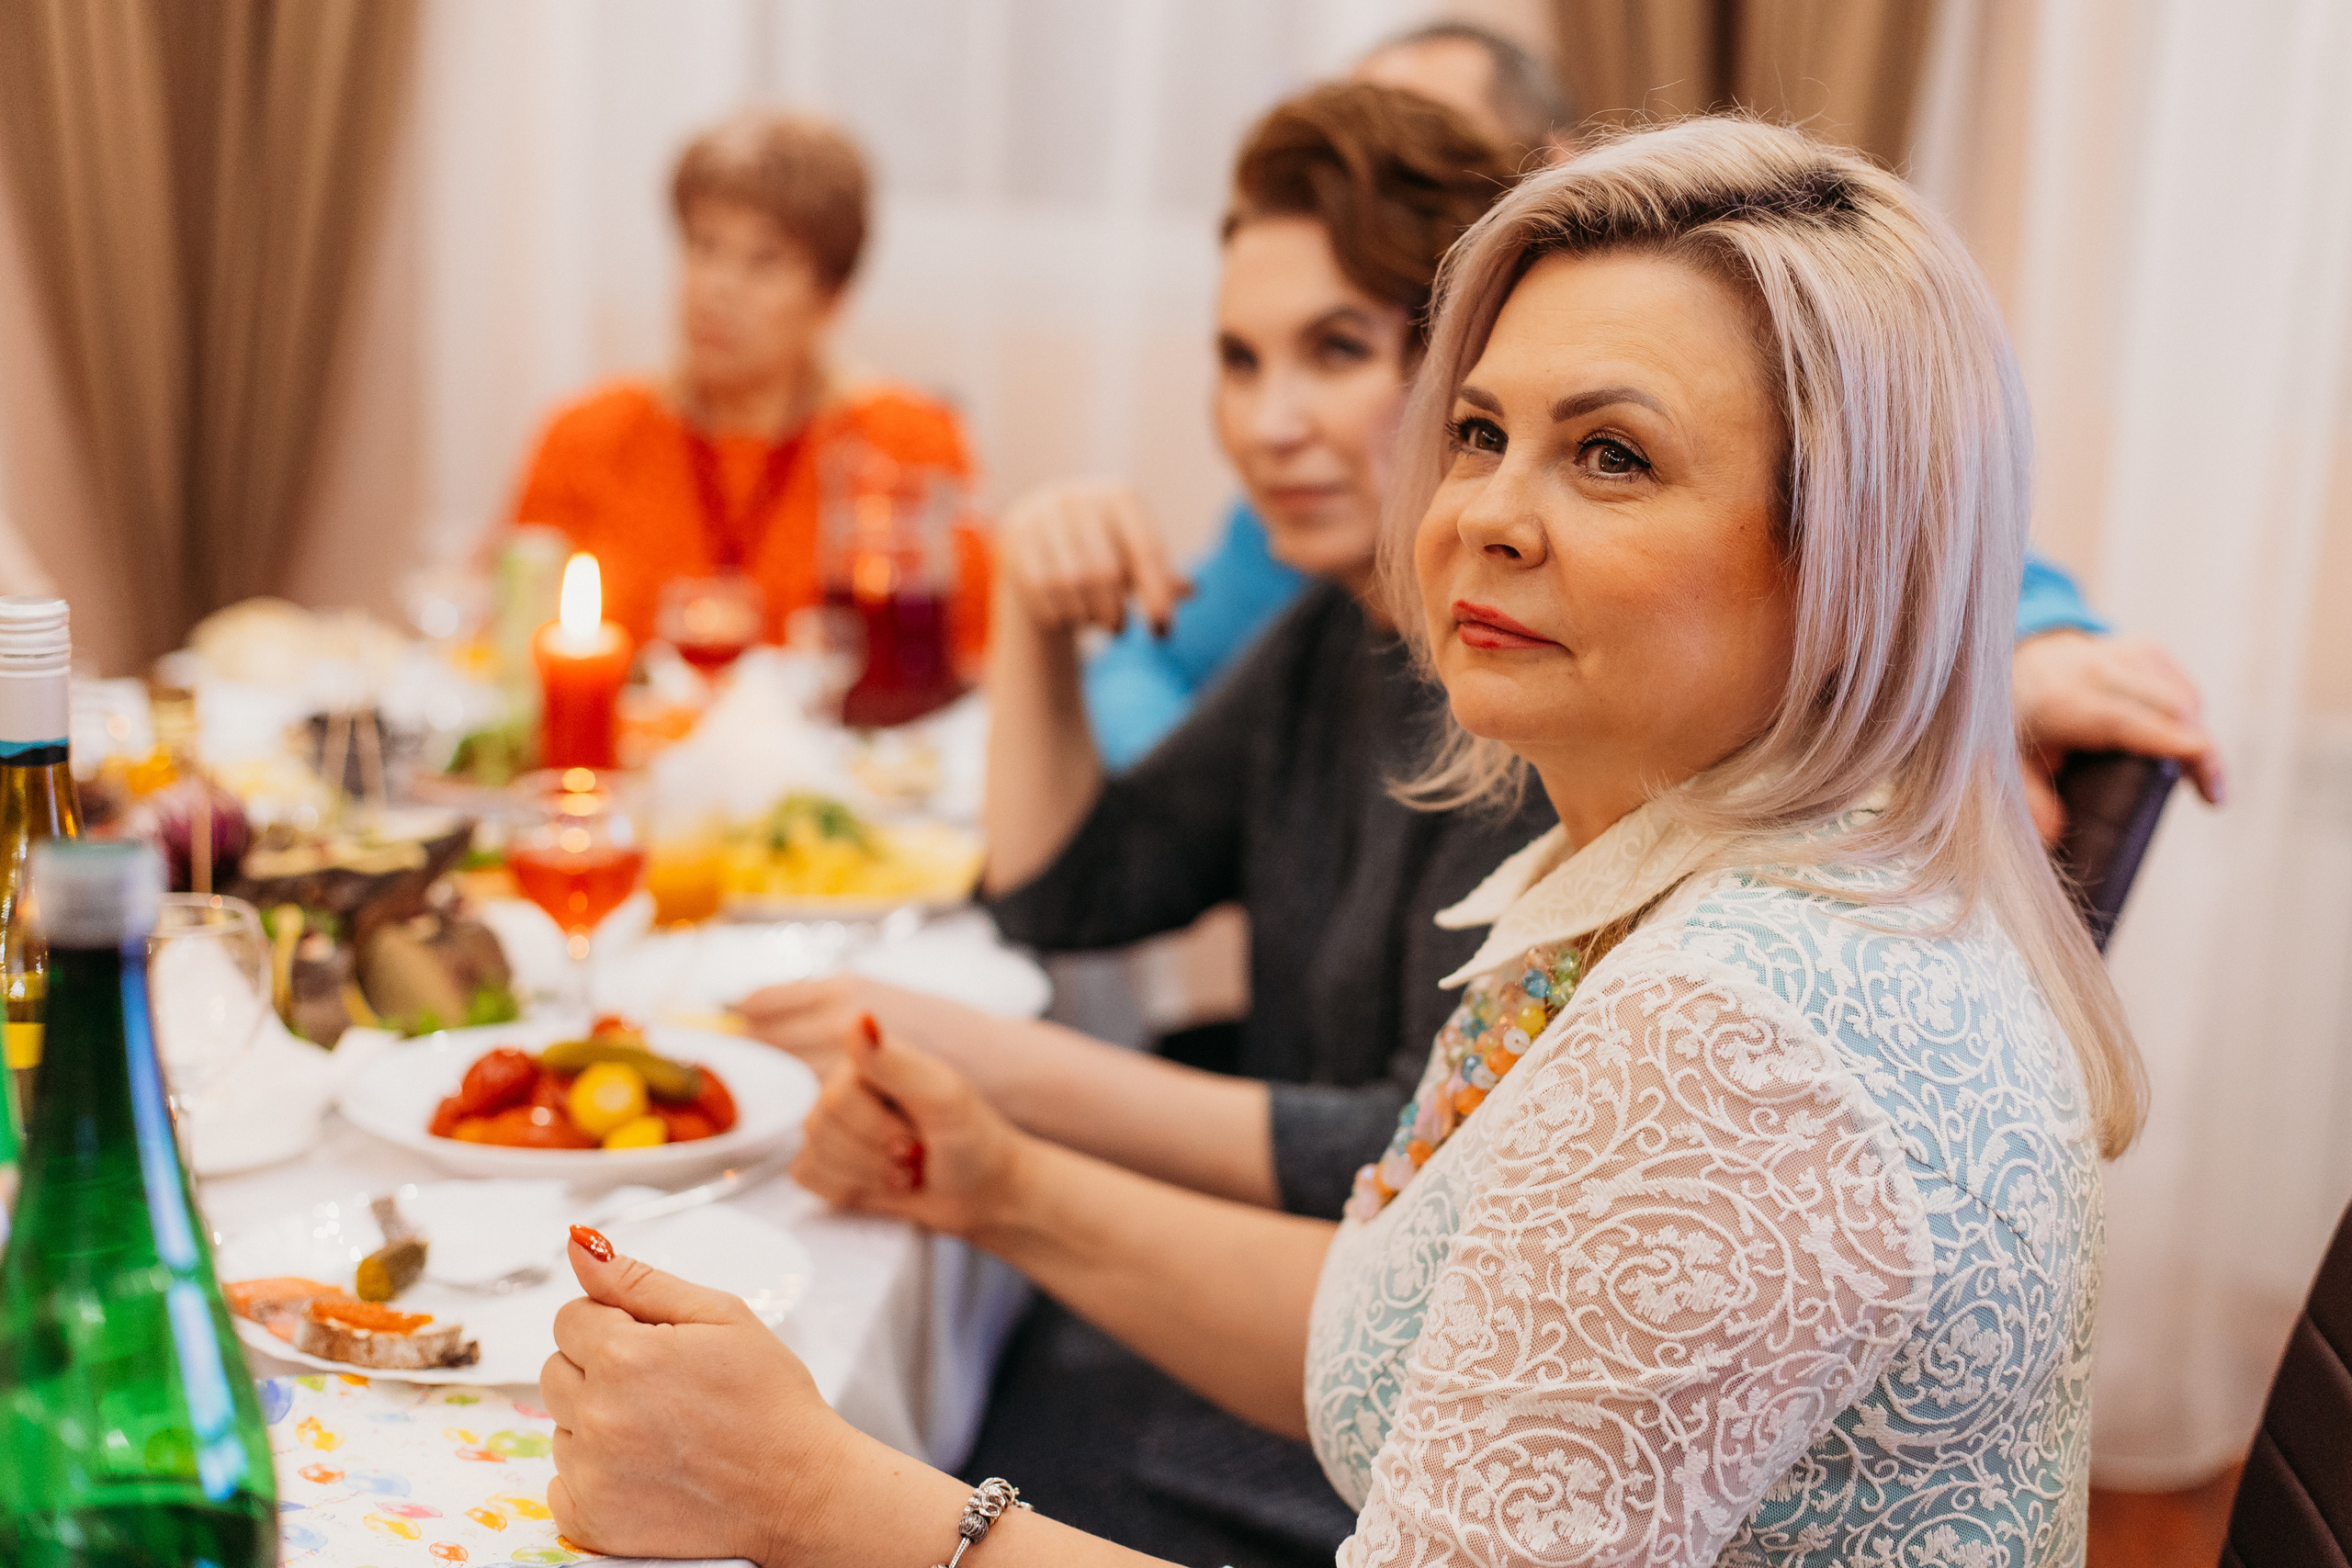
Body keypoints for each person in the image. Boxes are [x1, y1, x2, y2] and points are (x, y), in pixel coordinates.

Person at [544, 115, 2137, 1567]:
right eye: (1480, 433)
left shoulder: (1737, 1045)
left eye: (1612, 454)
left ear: (1847, 554)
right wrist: (1005, 1186)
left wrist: (813, 1493)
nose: (1484, 514)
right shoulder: (1666, 879)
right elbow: (1408, 1323)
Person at [1084, 20, 1571, 770]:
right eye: (1240, 360)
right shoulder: (1315, 589)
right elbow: (1145, 660)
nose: (1270, 427)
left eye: (1425, 148)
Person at [506, 108, 990, 664]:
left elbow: (969, 660)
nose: (718, 287)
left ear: (830, 298)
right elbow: (512, 647)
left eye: (764, 262)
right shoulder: (585, 435)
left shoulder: (909, 446)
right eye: (703, 246)